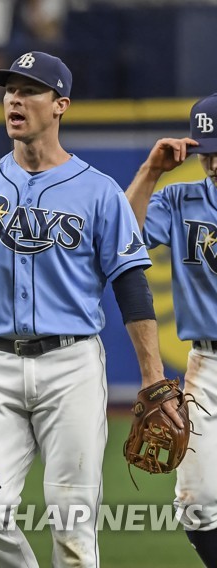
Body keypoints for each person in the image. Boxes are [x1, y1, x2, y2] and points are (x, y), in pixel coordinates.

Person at [0, 51, 179, 567]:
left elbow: (131, 286)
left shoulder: (100, 192)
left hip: (72, 367)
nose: (14, 98)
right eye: (9, 89)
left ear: (60, 105)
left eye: (30, 90)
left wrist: (152, 376)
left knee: (74, 531)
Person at [123, 93, 217, 568]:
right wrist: (151, 172)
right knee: (199, 503)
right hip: (210, 364)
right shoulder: (183, 198)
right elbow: (121, 239)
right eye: (209, 152)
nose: (215, 163)